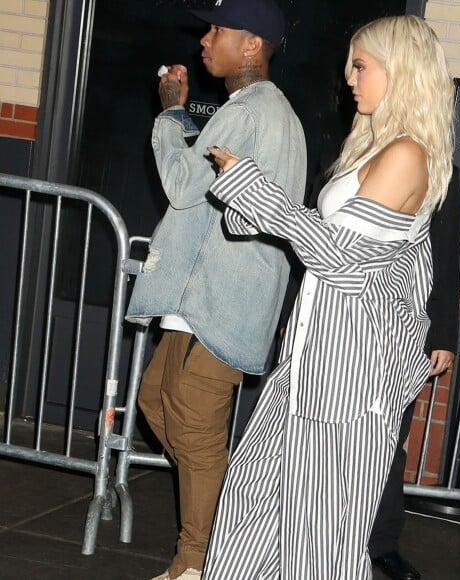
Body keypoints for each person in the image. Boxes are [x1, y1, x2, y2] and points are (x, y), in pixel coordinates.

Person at [202, 14, 455, 579]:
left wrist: (253, 189)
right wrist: (254, 208)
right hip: (310, 365)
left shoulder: (406, 155)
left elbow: (342, 259)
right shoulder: (373, 149)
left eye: (361, 66)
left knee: (317, 545)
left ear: (403, 71)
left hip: (349, 379)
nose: (348, 78)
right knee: (250, 512)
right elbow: (325, 237)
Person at [125, 0, 307, 578]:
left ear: (251, 45)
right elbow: (211, 191)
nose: (205, 40)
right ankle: (230, 511)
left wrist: (171, 115)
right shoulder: (267, 113)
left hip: (222, 299)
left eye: (218, 30)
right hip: (204, 295)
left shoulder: (250, 110)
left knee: (196, 430)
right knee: (156, 401)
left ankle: (194, 563)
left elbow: (182, 187)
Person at [369, 166, 460, 580]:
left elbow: (446, 254)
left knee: (389, 440)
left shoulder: (442, 171)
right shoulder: (351, 148)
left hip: (403, 332)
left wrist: (444, 333)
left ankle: (381, 543)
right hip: (340, 319)